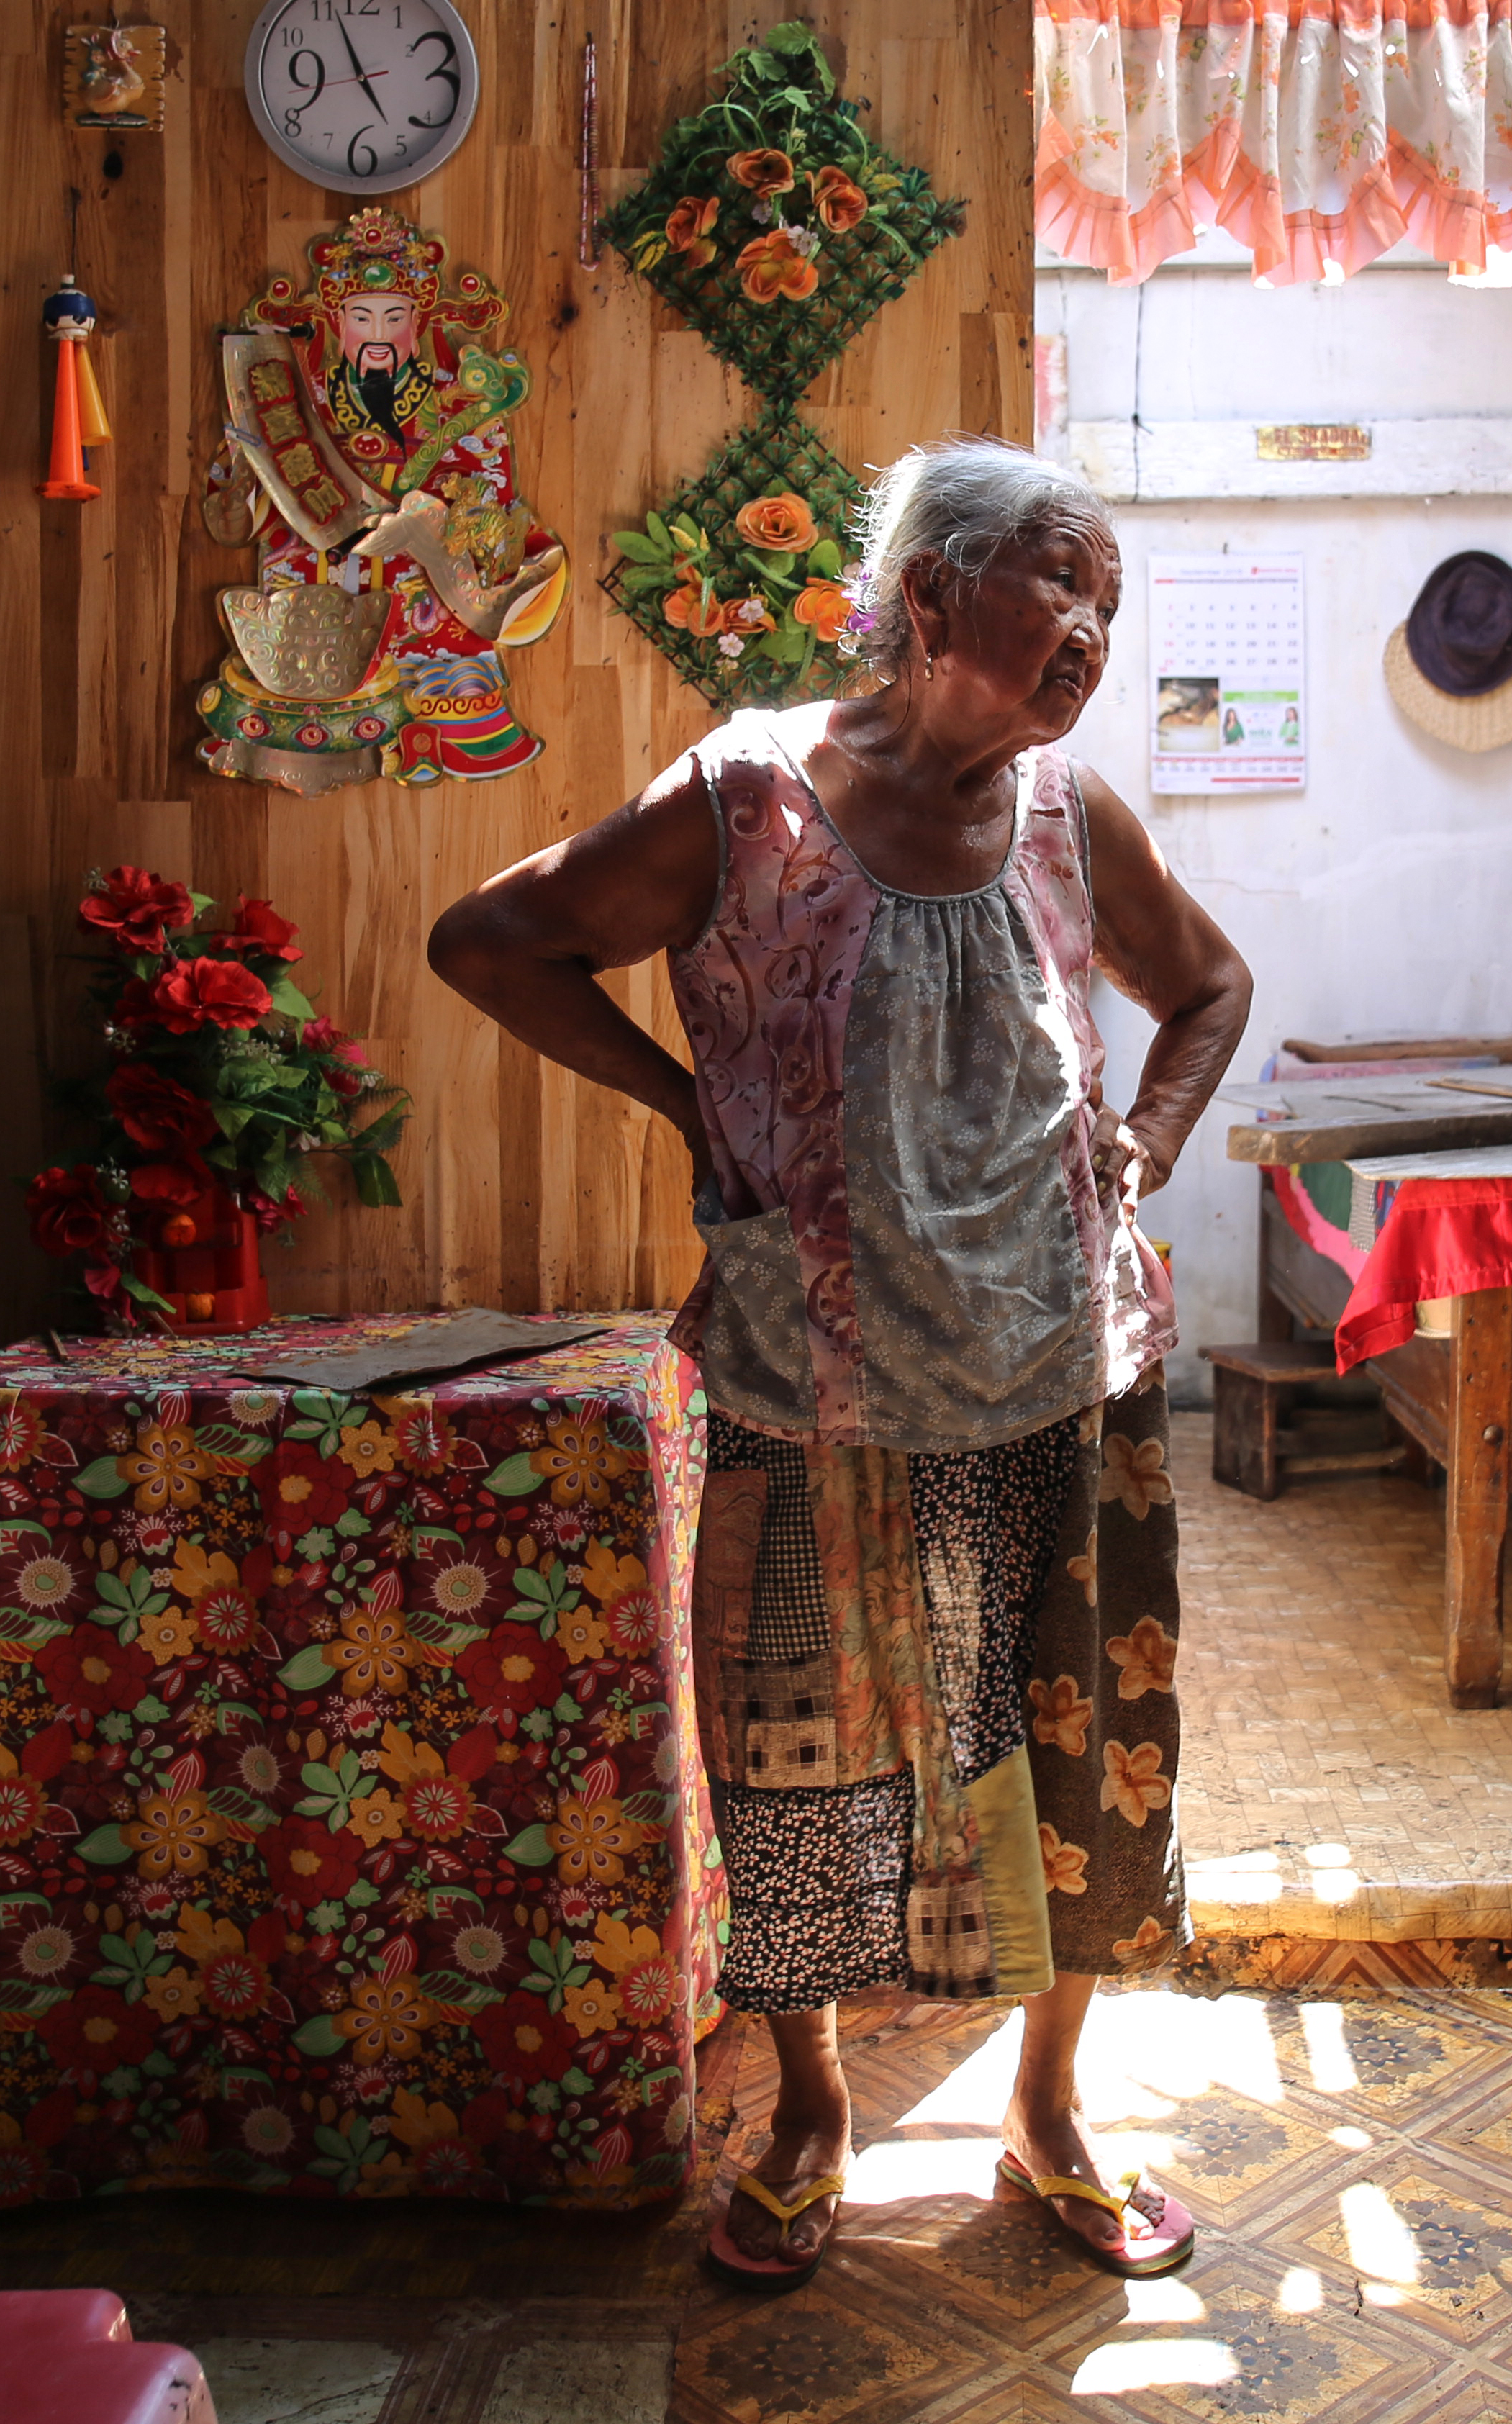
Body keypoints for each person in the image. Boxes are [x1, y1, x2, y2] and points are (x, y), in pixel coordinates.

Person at [429, 438, 1249, 2290]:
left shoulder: (1069, 814)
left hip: (1062, 1370)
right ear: (936, 598)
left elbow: (1208, 992)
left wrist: (1151, 1146)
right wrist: (679, 1106)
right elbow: (489, 937)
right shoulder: (748, 799)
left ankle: (1048, 2115)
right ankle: (812, 2110)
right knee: (803, 1778)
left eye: (1111, 603)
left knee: (1069, 1759)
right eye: (1067, 587)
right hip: (817, 1390)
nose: (1095, 634)